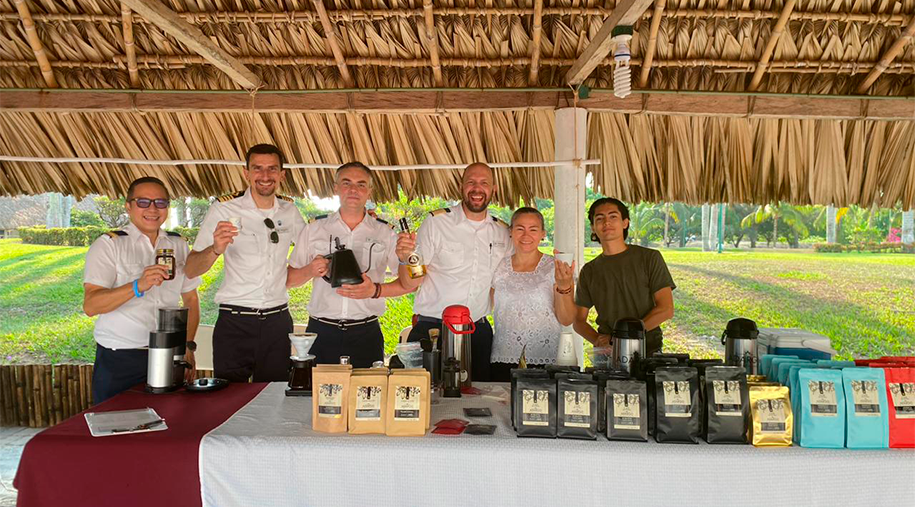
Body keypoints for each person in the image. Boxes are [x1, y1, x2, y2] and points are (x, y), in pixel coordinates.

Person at [185, 144, 306, 382]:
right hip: (235, 321)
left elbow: (315, 245)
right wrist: (215, 249)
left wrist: (362, 218)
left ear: (282, 174)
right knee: (229, 397)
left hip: (277, 321)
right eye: (257, 168)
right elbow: (191, 269)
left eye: (272, 169)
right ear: (246, 173)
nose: (265, 175)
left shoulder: (289, 211)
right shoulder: (224, 208)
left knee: (273, 394)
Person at [83, 177, 200, 404]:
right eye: (143, 202)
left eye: (160, 202)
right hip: (122, 357)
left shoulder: (178, 244)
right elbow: (91, 305)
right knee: (117, 422)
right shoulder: (109, 245)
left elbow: (191, 300)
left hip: (169, 354)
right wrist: (138, 286)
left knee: (168, 420)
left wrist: (188, 345)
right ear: (128, 206)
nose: (153, 209)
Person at [286, 162, 414, 367]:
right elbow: (289, 280)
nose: (353, 190)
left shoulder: (385, 233)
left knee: (368, 388)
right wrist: (310, 270)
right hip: (321, 332)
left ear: (369, 191)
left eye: (361, 184)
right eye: (347, 183)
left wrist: (377, 289)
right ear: (336, 188)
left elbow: (410, 285)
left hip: (366, 334)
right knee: (317, 388)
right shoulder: (314, 229)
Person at [395, 162, 511, 381]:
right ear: (461, 186)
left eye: (484, 183)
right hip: (433, 329)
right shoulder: (436, 223)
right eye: (471, 182)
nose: (477, 189)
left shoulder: (502, 232)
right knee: (426, 396)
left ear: (494, 189)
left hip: (477, 331)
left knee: (480, 395)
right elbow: (412, 281)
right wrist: (404, 258)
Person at [557, 197, 675, 357]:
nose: (607, 222)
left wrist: (621, 338)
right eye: (600, 218)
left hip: (648, 348)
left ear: (625, 223)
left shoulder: (649, 258)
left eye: (613, 216)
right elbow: (578, 321)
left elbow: (666, 309)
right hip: (608, 354)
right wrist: (598, 340)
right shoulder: (589, 271)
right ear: (593, 228)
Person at [489, 207, 576, 381]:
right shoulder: (498, 266)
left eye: (533, 229)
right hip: (503, 355)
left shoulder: (555, 267)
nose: (526, 235)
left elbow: (566, 319)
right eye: (520, 228)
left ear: (543, 234)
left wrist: (564, 285)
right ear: (511, 232)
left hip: (545, 357)